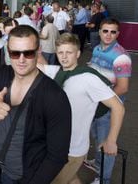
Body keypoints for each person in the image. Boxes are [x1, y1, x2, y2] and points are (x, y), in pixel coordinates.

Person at [0, 25, 71, 183]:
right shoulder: (1, 74)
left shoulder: (54, 97)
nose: (21, 59)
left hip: (26, 177)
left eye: (28, 53)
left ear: (38, 51)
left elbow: (57, 156)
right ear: (8, 51)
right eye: (15, 53)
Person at [36, 33, 125, 184]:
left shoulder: (88, 78)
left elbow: (118, 107)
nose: (64, 57)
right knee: (71, 179)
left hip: (72, 149)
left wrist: (111, 140)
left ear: (77, 53)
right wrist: (32, 49)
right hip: (54, 144)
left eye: (69, 52)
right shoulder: (57, 73)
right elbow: (36, 64)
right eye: (60, 53)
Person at [85, 18, 132, 184]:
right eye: (105, 31)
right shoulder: (97, 48)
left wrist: (100, 99)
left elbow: (123, 87)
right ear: (99, 32)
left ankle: (103, 179)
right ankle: (98, 163)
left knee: (106, 144)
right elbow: (95, 68)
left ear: (118, 34)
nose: (108, 35)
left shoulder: (121, 57)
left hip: (108, 108)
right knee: (97, 137)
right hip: (96, 104)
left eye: (113, 32)